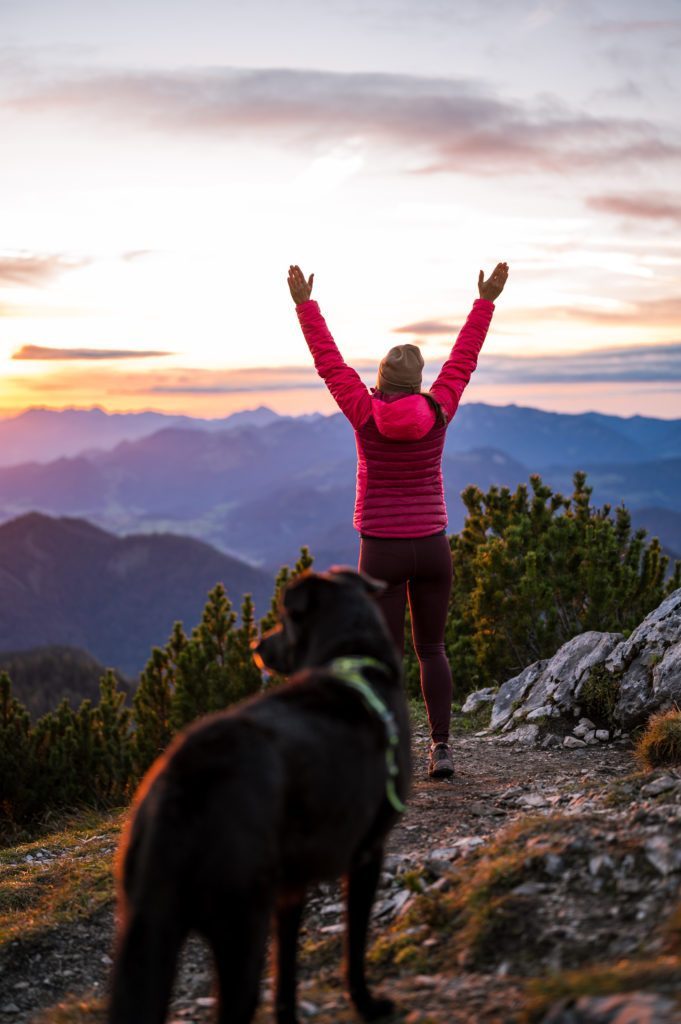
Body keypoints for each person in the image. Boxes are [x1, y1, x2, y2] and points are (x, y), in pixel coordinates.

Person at [287, 261, 509, 778]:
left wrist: (304, 305)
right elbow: (464, 358)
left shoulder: (363, 412)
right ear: (419, 383)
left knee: (386, 656)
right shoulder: (440, 408)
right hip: (432, 545)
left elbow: (329, 362)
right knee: (433, 648)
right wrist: (486, 300)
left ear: (382, 382)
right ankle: (442, 748)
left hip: (381, 549)